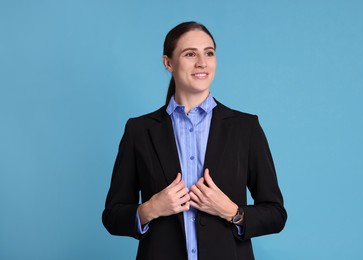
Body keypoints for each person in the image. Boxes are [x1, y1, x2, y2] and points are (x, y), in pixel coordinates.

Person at [102, 21, 287, 260]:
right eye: (190, 54)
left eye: (209, 53)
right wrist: (149, 209)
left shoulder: (245, 128)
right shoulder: (139, 130)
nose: (202, 62)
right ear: (168, 62)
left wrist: (232, 212)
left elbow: (276, 214)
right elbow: (112, 217)